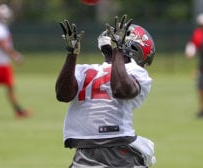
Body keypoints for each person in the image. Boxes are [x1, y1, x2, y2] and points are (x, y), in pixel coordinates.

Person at [55, 15, 156, 167]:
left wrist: (117, 51)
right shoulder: (84, 70)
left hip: (118, 147)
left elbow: (121, 90)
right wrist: (71, 55)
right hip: (92, 152)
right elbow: (63, 95)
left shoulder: (135, 72)